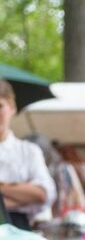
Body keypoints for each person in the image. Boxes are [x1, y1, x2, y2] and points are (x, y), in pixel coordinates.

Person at [0, 80, 56, 230]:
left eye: (0, 106)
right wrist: (20, 196)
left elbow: (42, 194)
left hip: (19, 230)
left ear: (12, 107)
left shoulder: (28, 151)